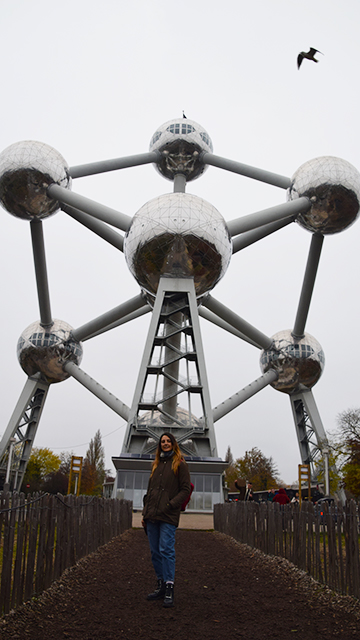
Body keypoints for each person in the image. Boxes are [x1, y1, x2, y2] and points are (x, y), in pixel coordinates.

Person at [142, 432, 191, 608]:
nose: (165, 444)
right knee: (155, 551)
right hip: (152, 514)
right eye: (162, 441)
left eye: (168, 441)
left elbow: (185, 489)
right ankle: (161, 584)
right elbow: (150, 491)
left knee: (166, 549)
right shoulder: (156, 465)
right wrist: (145, 513)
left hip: (168, 514)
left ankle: (170, 586)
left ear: (174, 443)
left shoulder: (180, 464)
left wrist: (171, 505)